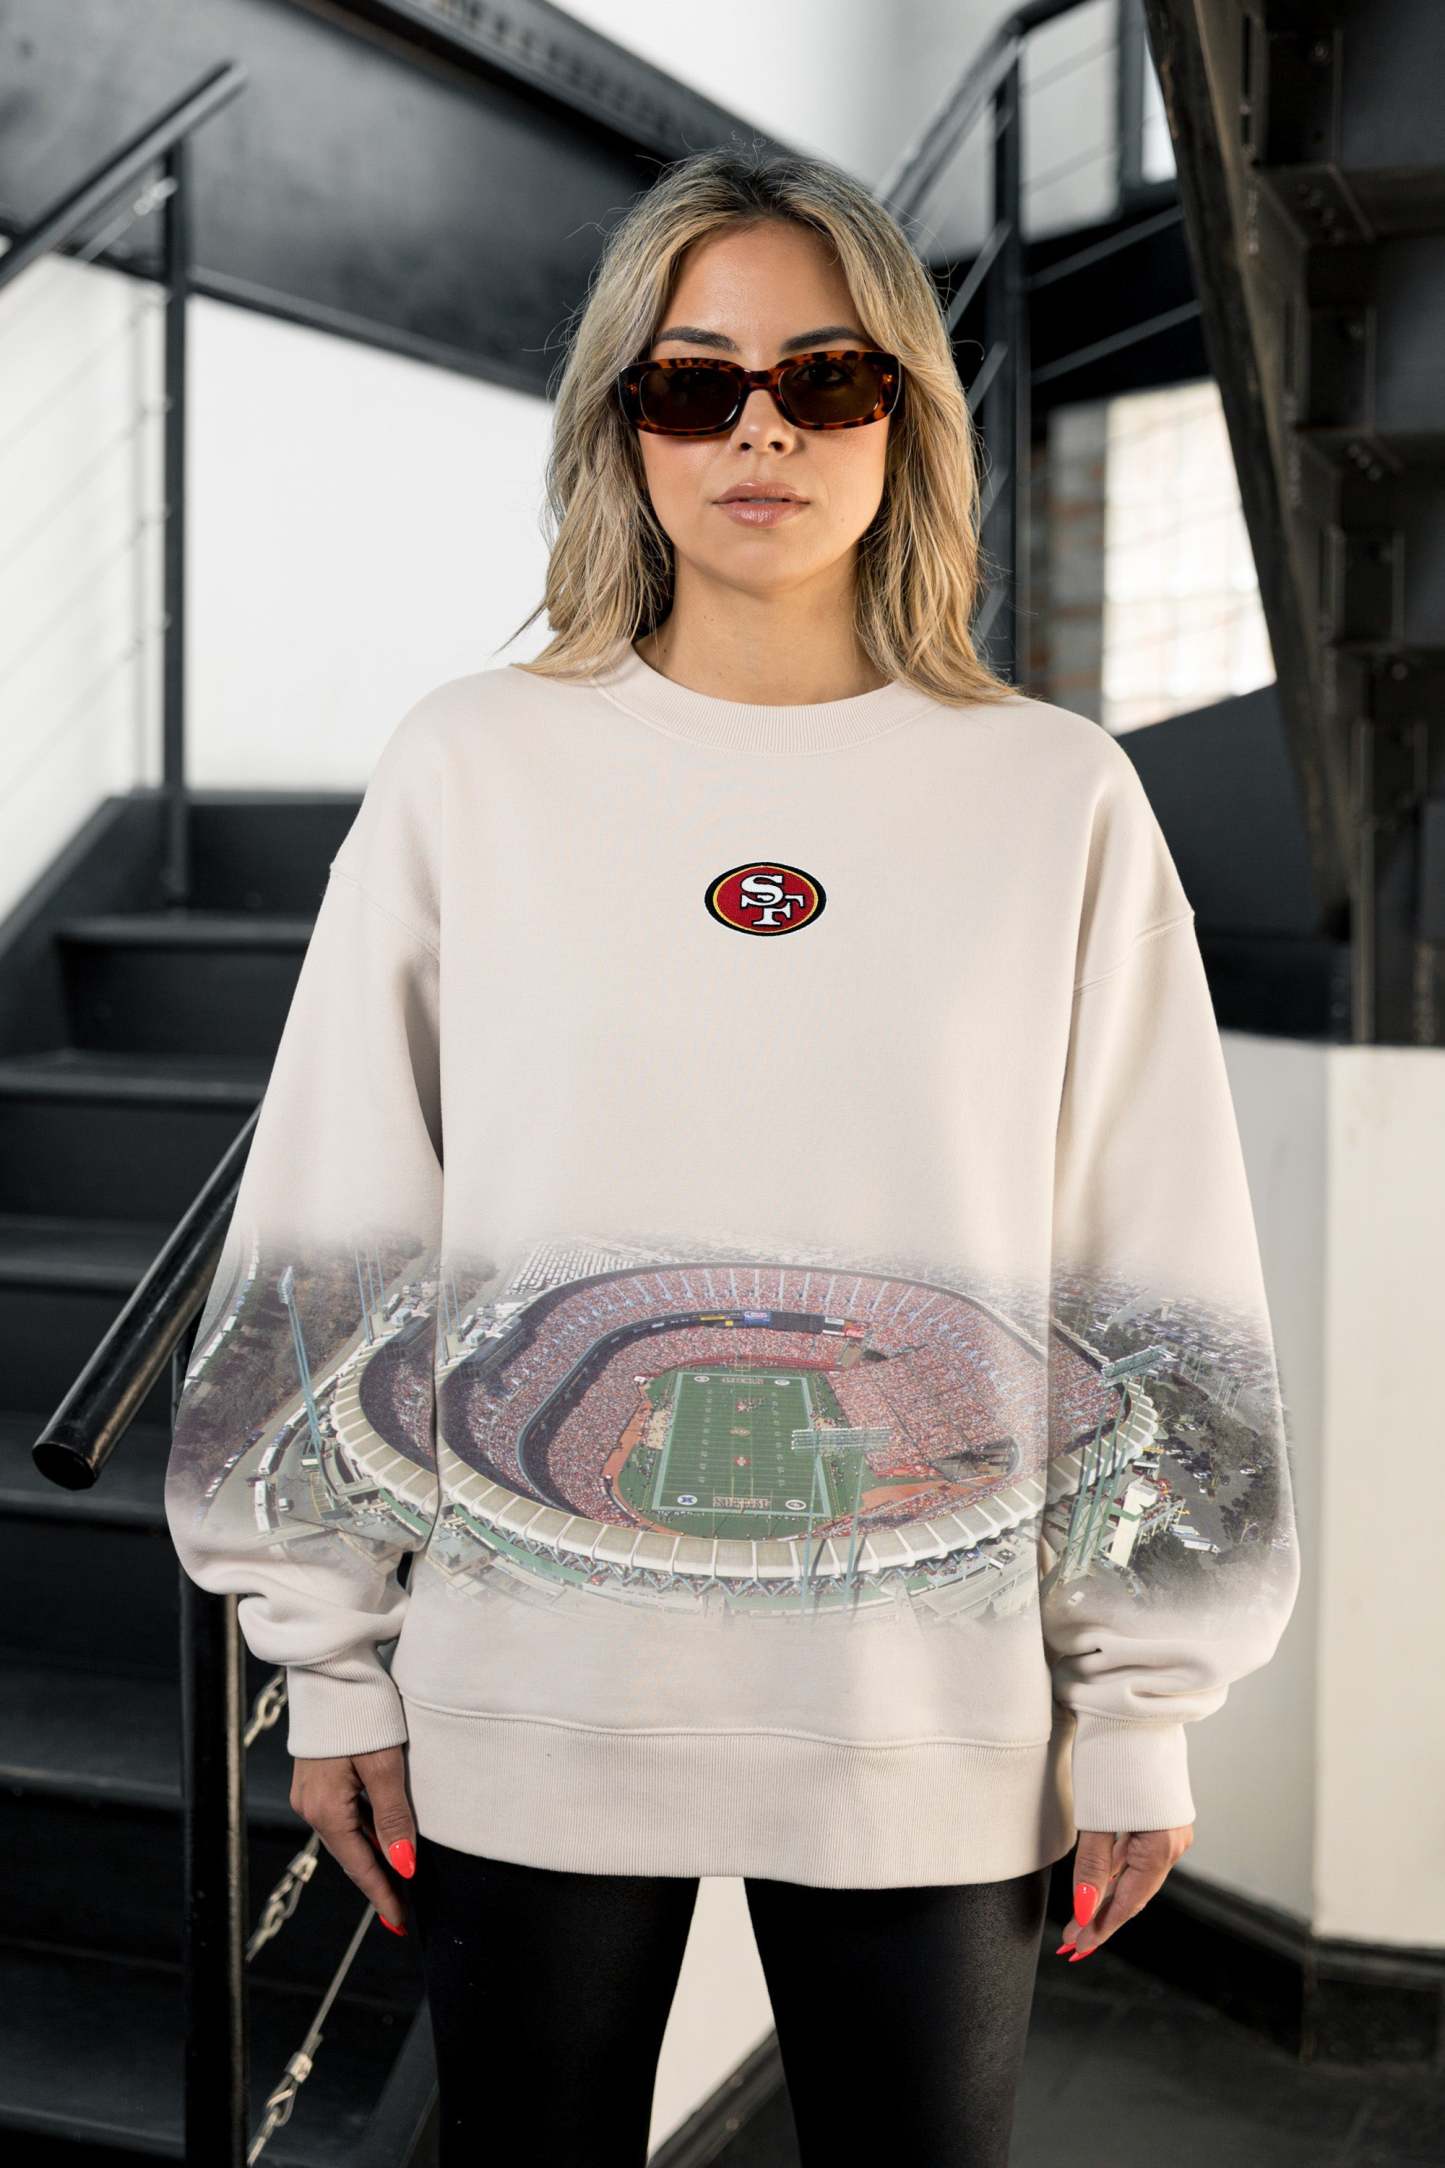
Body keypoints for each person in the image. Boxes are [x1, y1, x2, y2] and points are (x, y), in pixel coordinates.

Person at [164, 145, 1300, 2165]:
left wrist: (1141, 1696)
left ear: (904, 417)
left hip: (925, 1719)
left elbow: (1152, 1266)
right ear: (624, 426)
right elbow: (338, 1229)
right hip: (531, 1688)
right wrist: (326, 1662)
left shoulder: (1051, 798)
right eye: (695, 384)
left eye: (825, 378)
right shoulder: (473, 768)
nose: (759, 430)